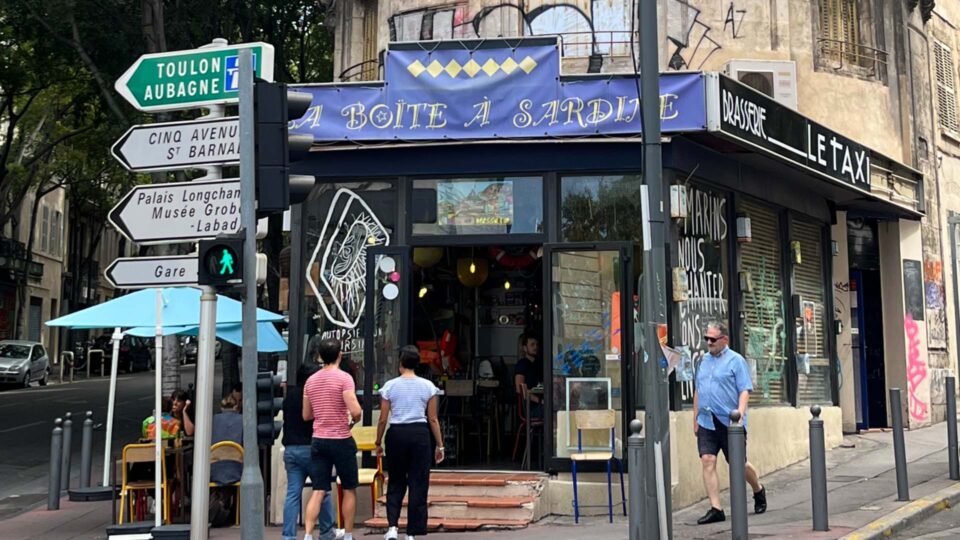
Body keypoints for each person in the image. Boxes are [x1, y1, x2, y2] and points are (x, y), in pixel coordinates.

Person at [693, 322, 767, 525]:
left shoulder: (736, 361)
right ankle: (716, 508)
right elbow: (698, 390)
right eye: (706, 338)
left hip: (729, 421)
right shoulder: (703, 361)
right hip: (707, 420)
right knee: (707, 459)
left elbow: (744, 390)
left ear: (724, 340)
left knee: (738, 464)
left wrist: (739, 415)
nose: (709, 342)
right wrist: (695, 419)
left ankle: (758, 489)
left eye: (713, 339)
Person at [375, 346, 444, 540]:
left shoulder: (389, 386)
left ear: (400, 363)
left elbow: (382, 418)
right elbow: (433, 419)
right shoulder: (428, 386)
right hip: (420, 434)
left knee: (396, 480)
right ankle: (413, 531)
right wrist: (440, 445)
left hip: (397, 433)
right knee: (418, 482)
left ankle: (392, 527)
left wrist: (378, 441)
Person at [303, 339, 362, 540]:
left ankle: (308, 535)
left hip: (318, 439)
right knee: (348, 488)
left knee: (318, 489)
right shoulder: (344, 378)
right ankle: (347, 534)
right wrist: (354, 418)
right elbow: (355, 410)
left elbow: (306, 415)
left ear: (320, 356)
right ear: (340, 355)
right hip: (341, 438)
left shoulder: (310, 381)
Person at [280, 351, 340, 540]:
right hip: (312, 448)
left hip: (290, 450)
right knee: (322, 491)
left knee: (293, 494)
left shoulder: (289, 397)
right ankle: (326, 532)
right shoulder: (313, 394)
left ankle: (288, 536)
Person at [210, 395, 243, 485]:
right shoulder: (243, 420)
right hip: (237, 469)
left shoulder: (212, 420)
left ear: (221, 408)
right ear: (236, 407)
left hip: (214, 470)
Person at [514, 334, 543, 418]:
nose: (535, 347)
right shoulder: (522, 365)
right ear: (524, 348)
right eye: (532, 344)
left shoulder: (538, 364)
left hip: (539, 404)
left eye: (537, 344)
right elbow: (520, 389)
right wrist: (540, 401)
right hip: (531, 408)